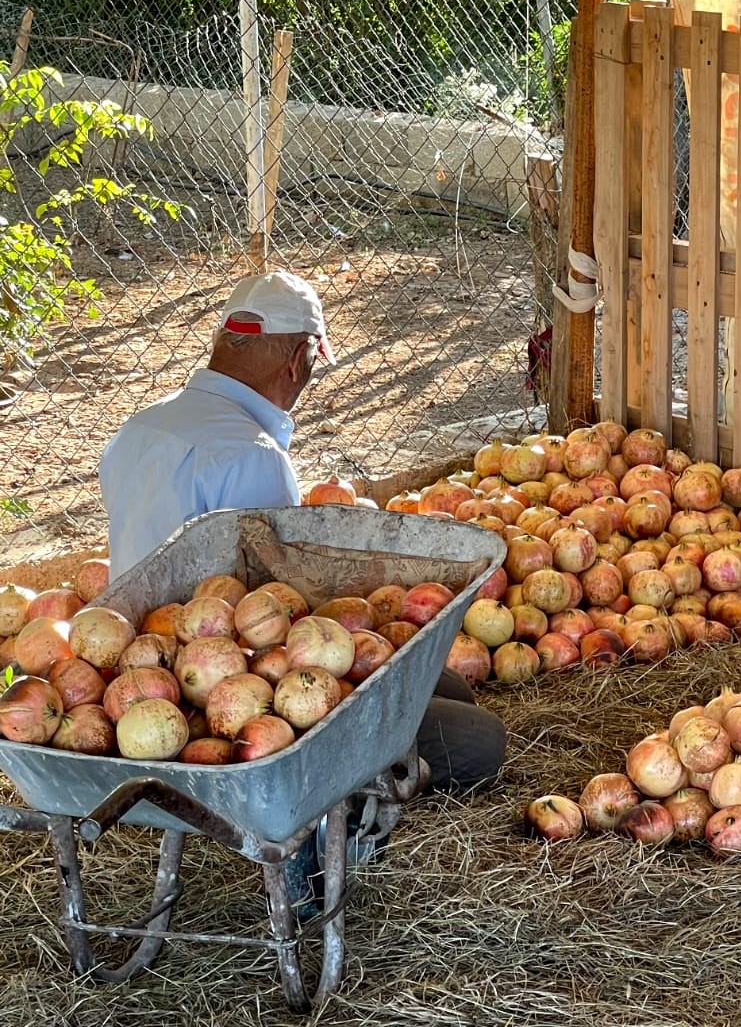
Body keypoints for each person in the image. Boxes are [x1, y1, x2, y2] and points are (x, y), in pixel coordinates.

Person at [99, 271, 506, 800]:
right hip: (233, 696)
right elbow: (282, 603)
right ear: (298, 360)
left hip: (130, 666)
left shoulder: (139, 427)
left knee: (445, 686)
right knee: (482, 741)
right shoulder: (252, 454)